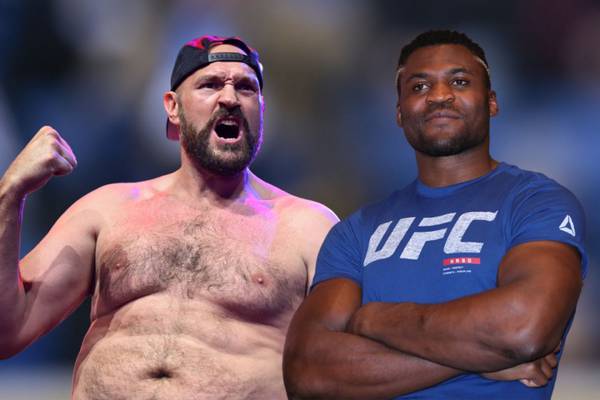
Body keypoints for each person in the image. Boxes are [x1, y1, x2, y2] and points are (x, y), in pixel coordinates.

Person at [0, 35, 337, 399]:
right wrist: (9, 193)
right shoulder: (106, 209)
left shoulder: (309, 228)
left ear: (262, 109)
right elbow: (7, 331)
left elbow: (354, 364)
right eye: (210, 85)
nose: (230, 98)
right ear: (173, 108)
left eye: (246, 88)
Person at [283, 30, 587, 399]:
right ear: (399, 113)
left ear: (491, 102)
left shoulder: (536, 202)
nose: (439, 95)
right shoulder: (357, 231)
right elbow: (307, 371)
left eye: (459, 82)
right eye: (419, 86)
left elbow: (523, 329)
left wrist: (372, 319)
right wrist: (480, 357)